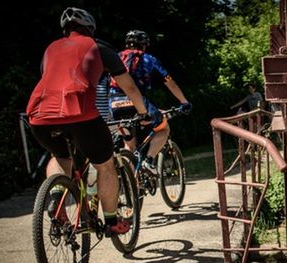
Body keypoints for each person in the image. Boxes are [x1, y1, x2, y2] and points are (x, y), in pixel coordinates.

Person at [26, 7, 153, 235]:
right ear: (90, 28)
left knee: (60, 156)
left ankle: (56, 199)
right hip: (79, 113)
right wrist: (144, 112)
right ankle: (112, 222)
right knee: (105, 165)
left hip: (39, 115)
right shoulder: (100, 47)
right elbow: (129, 86)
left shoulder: (50, 49)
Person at [109, 29, 191, 175]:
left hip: (114, 104)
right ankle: (149, 161)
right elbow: (169, 82)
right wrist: (184, 102)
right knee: (163, 127)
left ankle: (132, 185)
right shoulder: (148, 59)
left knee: (129, 145)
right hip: (137, 102)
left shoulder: (116, 57)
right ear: (145, 45)